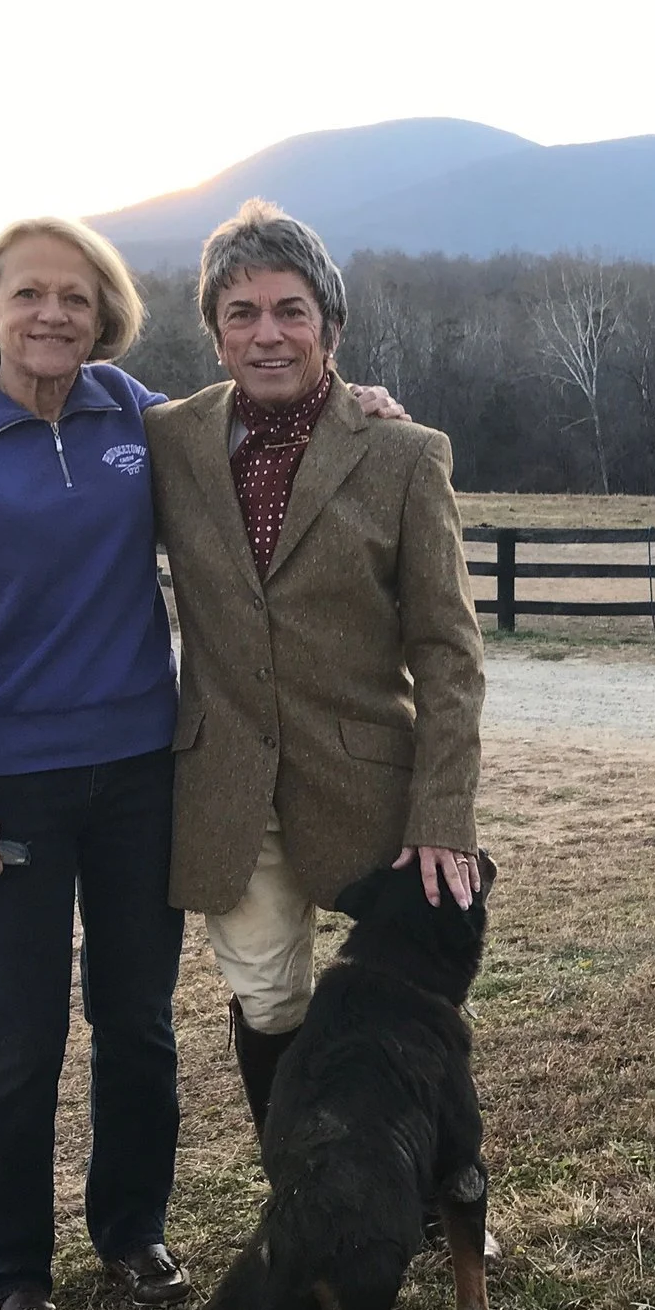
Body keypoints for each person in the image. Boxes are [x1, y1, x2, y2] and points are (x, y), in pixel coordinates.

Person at [0, 217, 408, 1310]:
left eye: (76, 295)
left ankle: (130, 1231)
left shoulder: (134, 419)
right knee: (20, 1037)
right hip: (4, 789)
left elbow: (268, 421)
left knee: (137, 1024)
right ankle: (12, 1269)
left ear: (105, 310)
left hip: (139, 773)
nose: (53, 314)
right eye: (29, 295)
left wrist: (365, 414)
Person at [143, 200, 485, 1147]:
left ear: (330, 326)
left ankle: (433, 1189)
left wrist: (444, 811)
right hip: (226, 786)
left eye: (291, 310)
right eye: (243, 312)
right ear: (214, 332)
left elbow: (449, 653)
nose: (268, 332)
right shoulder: (166, 442)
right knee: (268, 1002)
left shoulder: (404, 454)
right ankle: (303, 1194)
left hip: (368, 782)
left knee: (413, 1006)